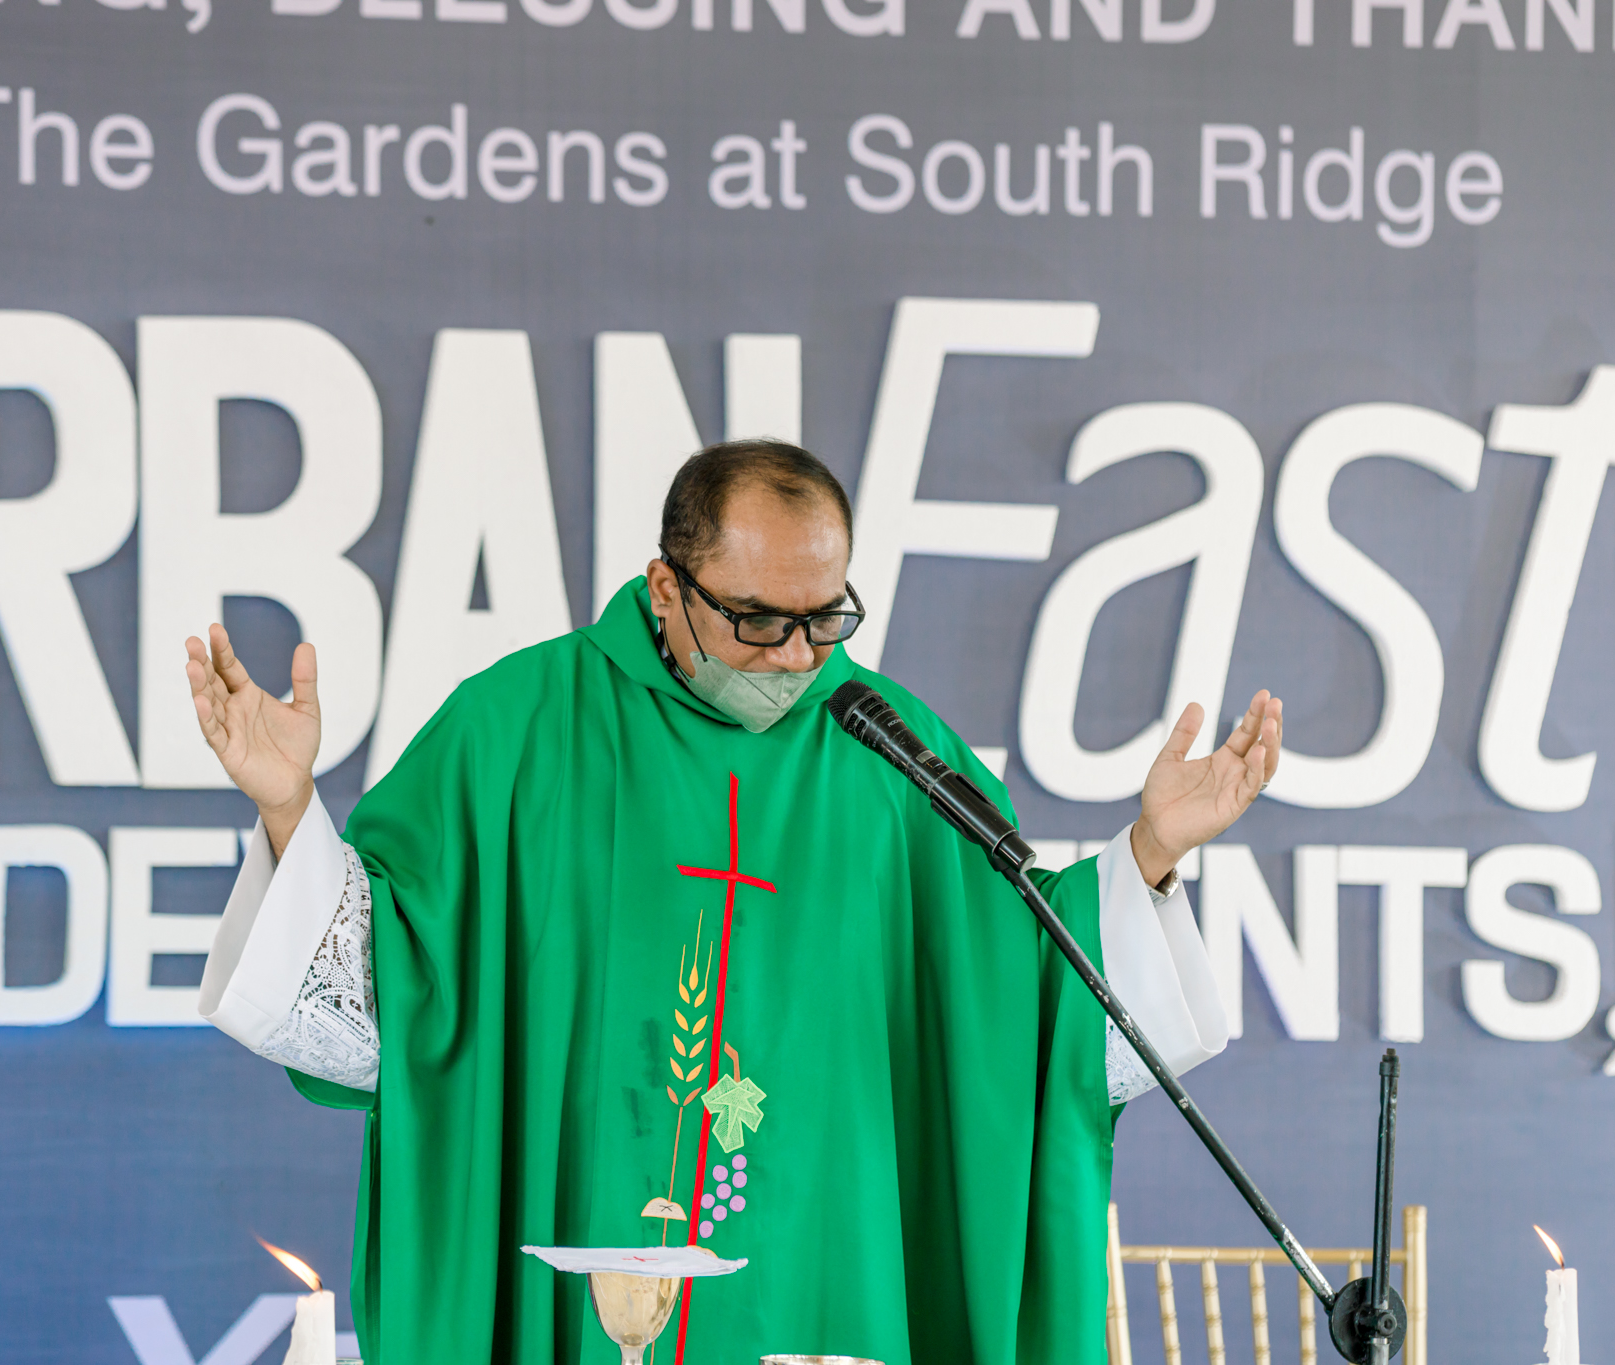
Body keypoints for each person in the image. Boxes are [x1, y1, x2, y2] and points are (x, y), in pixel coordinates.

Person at [191, 439, 1278, 1365]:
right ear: (667, 588)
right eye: (758, 619)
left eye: (826, 617)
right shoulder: (514, 731)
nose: (799, 656)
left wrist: (1149, 852)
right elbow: (389, 997)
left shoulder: (894, 753)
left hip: (828, 1266)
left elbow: (1021, 1005)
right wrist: (288, 806)